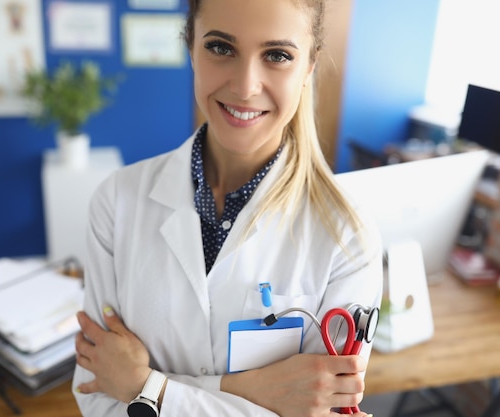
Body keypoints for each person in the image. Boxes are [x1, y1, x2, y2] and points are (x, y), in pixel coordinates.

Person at [72, 0, 383, 416]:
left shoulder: (348, 234)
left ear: (309, 67)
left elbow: (323, 412)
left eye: (277, 55)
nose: (245, 86)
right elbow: (99, 393)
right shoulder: (117, 201)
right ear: (191, 49)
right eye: (221, 48)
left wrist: (145, 388)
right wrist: (253, 393)